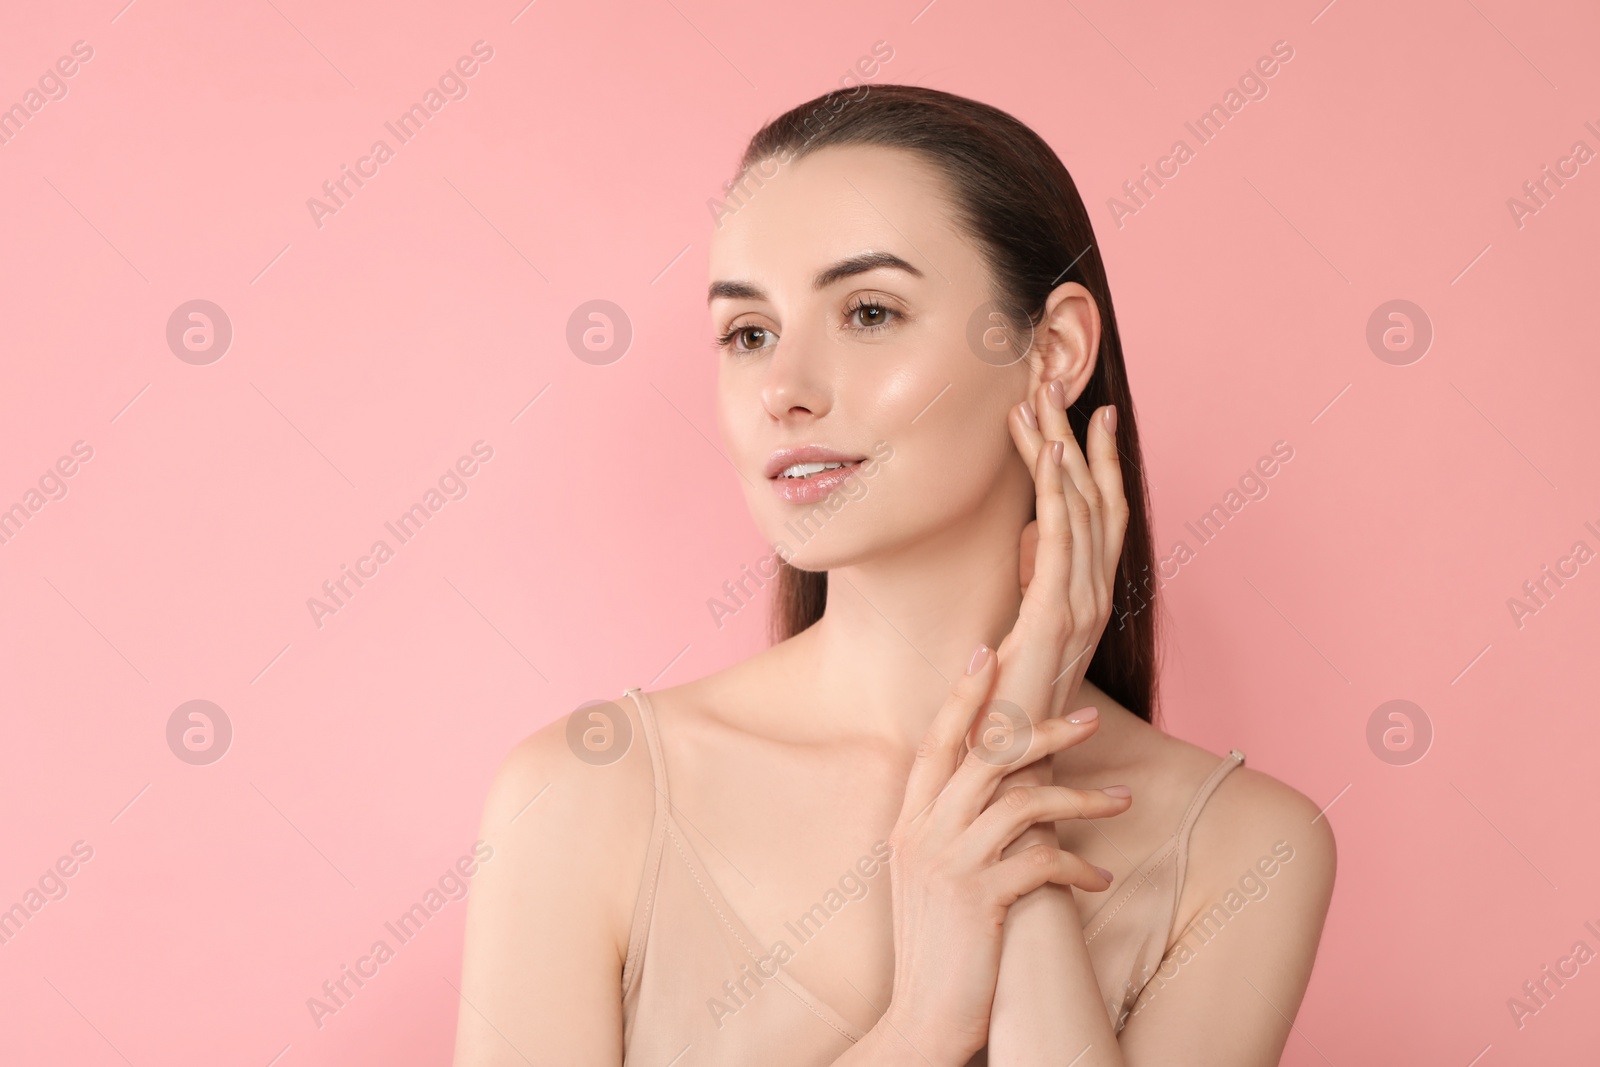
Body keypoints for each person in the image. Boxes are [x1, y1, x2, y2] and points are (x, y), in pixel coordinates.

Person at [452, 84, 1335, 1066]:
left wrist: (1009, 770)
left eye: (868, 311)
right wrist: (924, 1019)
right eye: (749, 333)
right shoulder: (583, 796)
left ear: (1051, 351)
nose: (783, 390)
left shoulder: (1244, 850)